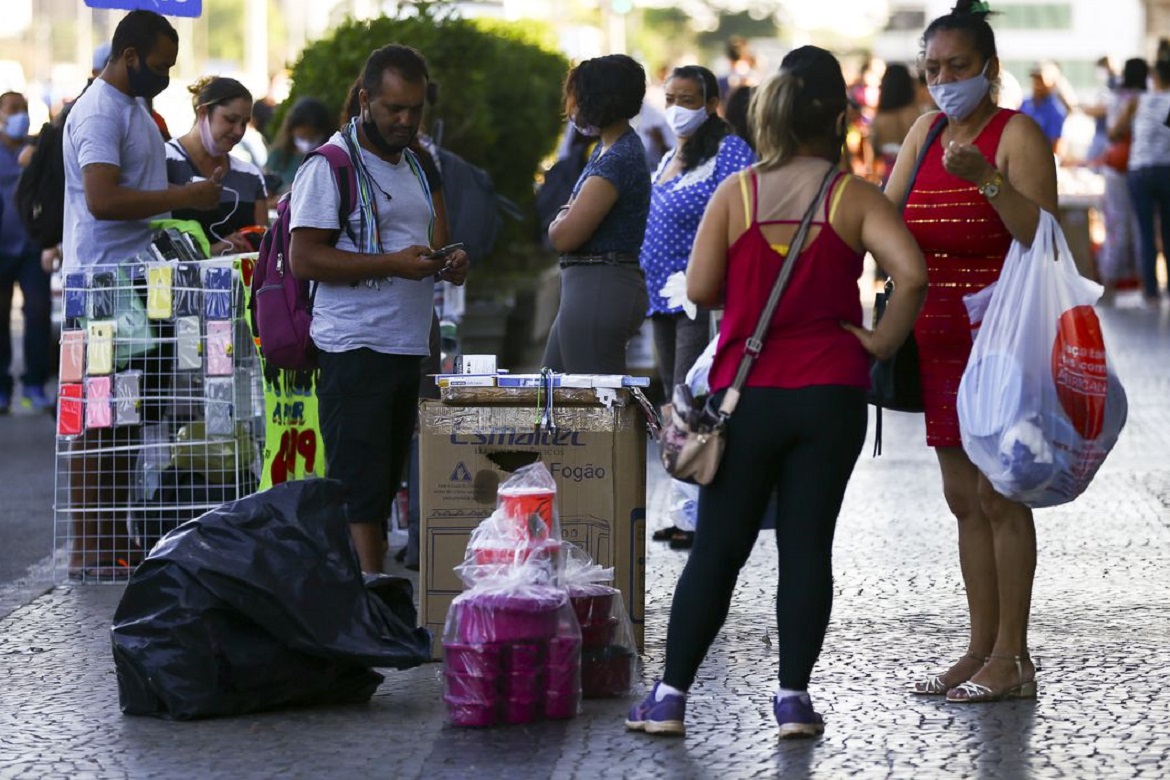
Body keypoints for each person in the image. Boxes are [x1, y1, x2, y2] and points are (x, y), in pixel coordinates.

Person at [627, 46, 927, 739]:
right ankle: (793, 701)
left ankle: (669, 699)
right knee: (807, 547)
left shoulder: (740, 194)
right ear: (838, 116)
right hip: (832, 395)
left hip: (747, 395)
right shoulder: (853, 196)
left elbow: (699, 290)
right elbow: (910, 274)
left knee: (718, 550)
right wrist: (878, 344)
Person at [884, 0, 1058, 702]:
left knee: (999, 494)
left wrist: (985, 180)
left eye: (958, 66)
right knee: (963, 498)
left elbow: (1043, 236)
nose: (944, 79)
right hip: (937, 338)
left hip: (1003, 338)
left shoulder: (1017, 134)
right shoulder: (924, 131)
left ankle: (1013, 660)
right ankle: (979, 647)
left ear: (989, 68)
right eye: (933, 68)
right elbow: (883, 214)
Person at [288, 44, 468, 574]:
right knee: (359, 490)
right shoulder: (331, 165)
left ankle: (371, 596)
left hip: (404, 344)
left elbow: (426, 239)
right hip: (354, 346)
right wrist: (391, 263)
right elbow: (304, 257)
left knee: (385, 482)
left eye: (415, 109)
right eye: (393, 108)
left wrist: (448, 259)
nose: (405, 119)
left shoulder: (414, 161)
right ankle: (366, 598)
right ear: (366, 100)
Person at [61, 10, 222, 578]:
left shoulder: (132, 109)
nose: (166, 75)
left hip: (134, 284)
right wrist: (184, 196)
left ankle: (112, 540)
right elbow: (103, 199)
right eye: (159, 65)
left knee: (124, 418)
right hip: (104, 289)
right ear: (128, 55)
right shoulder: (101, 113)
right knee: (99, 421)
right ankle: (91, 548)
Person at [543, 54, 651, 374]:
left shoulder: (618, 158)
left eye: (575, 98)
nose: (571, 108)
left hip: (600, 285)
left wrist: (559, 220)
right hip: (587, 285)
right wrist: (566, 214)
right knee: (556, 397)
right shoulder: (606, 149)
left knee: (595, 410)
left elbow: (565, 235)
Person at [165, 76, 268, 254]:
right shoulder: (164, 161)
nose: (238, 131)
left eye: (244, 123)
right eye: (230, 119)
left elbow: (264, 249)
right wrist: (213, 251)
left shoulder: (249, 175)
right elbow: (151, 240)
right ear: (203, 112)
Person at [0, 90, 52, 413]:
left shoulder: (36, 148)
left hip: (32, 246)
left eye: (25, 108)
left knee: (38, 312)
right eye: (13, 109)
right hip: (2, 248)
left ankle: (34, 384)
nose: (21, 114)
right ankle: (2, 389)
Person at [1116, 57, 1170, 306]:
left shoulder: (1137, 101)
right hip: (1167, 170)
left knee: (1146, 233)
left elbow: (1114, 133)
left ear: (1155, 77)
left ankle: (1150, 292)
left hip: (1140, 172)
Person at [1099, 57, 1148, 302]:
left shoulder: (1119, 97)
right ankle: (1145, 288)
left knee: (1118, 228)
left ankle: (1110, 287)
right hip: (1137, 167)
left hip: (1117, 167)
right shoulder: (1144, 98)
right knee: (1142, 229)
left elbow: (1112, 133)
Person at [265, 96, 334, 199]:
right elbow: (264, 192)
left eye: (312, 138)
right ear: (291, 131)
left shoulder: (329, 160)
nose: (307, 144)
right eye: (302, 137)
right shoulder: (279, 155)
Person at [870, 64, 922, 186]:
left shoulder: (879, 119)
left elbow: (875, 150)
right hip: (917, 177)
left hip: (890, 179)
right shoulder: (920, 115)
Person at [1020, 61, 1068, 155]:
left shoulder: (1056, 110)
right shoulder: (1024, 103)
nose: (1037, 84)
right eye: (1035, 79)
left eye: (1041, 80)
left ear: (1052, 83)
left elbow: (1055, 147)